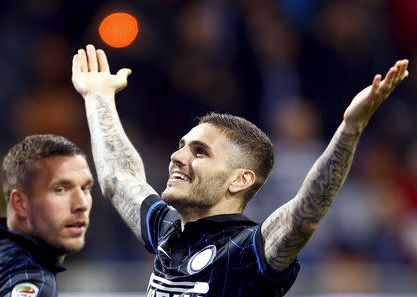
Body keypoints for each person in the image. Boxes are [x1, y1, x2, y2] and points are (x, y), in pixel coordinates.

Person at [72, 44, 409, 296]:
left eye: (200, 152)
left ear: (240, 179)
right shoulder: (167, 231)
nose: (178, 157)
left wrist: (350, 128)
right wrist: (98, 96)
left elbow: (303, 214)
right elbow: (119, 178)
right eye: (181, 146)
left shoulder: (246, 252)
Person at [0, 134, 94, 296]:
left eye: (85, 188)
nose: (81, 204)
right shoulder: (32, 281)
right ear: (20, 203)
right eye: (60, 190)